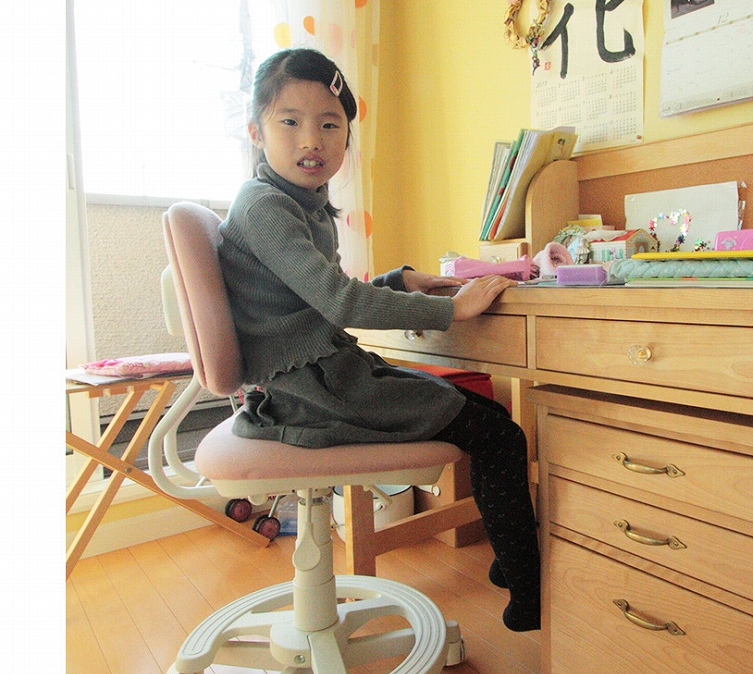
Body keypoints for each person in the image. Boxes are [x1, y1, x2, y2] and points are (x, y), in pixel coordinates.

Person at [218, 47, 541, 631]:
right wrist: (453, 310)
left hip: (324, 378)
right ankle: (528, 590)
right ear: (256, 132)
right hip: (311, 392)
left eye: (330, 124)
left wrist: (400, 281)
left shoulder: (297, 203)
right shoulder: (265, 207)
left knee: (487, 416)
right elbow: (339, 302)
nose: (312, 140)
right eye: (290, 121)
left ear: (347, 136)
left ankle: (507, 559)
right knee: (499, 435)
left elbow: (319, 298)